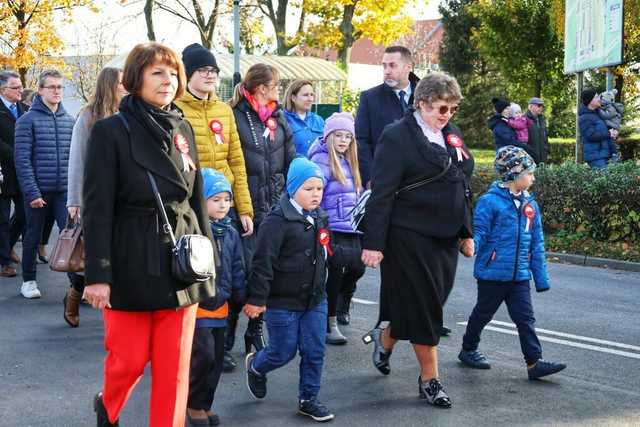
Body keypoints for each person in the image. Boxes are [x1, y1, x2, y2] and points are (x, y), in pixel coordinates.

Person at [82, 42, 215, 427]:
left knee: (175, 369)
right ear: (135, 78)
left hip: (180, 260)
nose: (169, 80)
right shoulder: (110, 131)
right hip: (130, 258)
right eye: (158, 72)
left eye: (173, 73)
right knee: (129, 360)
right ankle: (108, 404)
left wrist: (209, 267)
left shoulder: (183, 126)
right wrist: (98, 275)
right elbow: (97, 207)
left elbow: (195, 196)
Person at [360, 72, 475, 408]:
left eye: (453, 109)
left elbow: (462, 185)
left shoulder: (451, 134)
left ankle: (386, 338)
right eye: (441, 108)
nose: (447, 116)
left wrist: (466, 233)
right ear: (421, 103)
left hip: (444, 236)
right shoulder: (397, 136)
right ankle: (430, 379)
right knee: (426, 310)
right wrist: (374, 243)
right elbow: (382, 192)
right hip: (407, 235)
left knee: (428, 303)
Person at [458, 146, 567, 380]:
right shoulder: (490, 202)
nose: (533, 178)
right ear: (515, 174)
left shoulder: (531, 205)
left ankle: (533, 363)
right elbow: (480, 231)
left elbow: (536, 243)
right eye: (530, 173)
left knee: (525, 319)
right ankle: (468, 349)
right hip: (493, 274)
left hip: (519, 275)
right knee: (483, 314)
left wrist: (540, 278)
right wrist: (471, 245)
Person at [177, 44, 255, 372]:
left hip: (224, 205)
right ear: (188, 74)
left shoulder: (224, 110)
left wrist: (244, 207)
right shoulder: (176, 108)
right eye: (202, 71)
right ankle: (190, 340)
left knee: (231, 275)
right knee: (194, 275)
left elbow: (236, 159)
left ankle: (223, 344)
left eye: (213, 71)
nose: (209, 76)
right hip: (193, 207)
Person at [243, 157, 338, 422]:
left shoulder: (320, 216)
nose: (316, 194)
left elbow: (327, 250)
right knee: (283, 351)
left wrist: (346, 257)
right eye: (309, 189)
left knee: (315, 350)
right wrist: (257, 298)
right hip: (282, 300)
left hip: (315, 299)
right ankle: (256, 366)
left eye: (319, 188)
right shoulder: (277, 220)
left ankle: (309, 399)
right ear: (293, 188)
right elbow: (263, 262)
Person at [228, 63, 297, 357]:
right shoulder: (234, 116)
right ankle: (226, 340)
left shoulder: (279, 119)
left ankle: (254, 331)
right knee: (239, 276)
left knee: (267, 274)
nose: (279, 90)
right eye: (276, 85)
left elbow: (290, 159)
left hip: (274, 208)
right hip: (245, 208)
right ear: (261, 88)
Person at [64, 67, 126, 327]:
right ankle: (74, 296)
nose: (127, 87)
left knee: (119, 257)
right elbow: (77, 159)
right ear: (109, 86)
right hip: (94, 197)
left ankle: (116, 317)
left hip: (122, 198)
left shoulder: (129, 115)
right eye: (122, 83)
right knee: (89, 258)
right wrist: (75, 200)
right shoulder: (88, 117)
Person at [188, 169, 245, 427]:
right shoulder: (196, 231)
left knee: (217, 361)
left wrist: (240, 295)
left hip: (222, 307)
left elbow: (237, 267)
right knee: (204, 357)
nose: (223, 205)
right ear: (202, 200)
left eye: (227, 199)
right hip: (200, 308)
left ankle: (205, 404)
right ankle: (193, 404)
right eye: (216, 199)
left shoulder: (230, 232)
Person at [14, 69, 75, 299]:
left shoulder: (70, 121)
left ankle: (76, 286)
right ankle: (28, 281)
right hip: (37, 191)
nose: (57, 91)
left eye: (60, 87)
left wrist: (74, 193)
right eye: (52, 87)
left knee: (71, 236)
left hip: (64, 192)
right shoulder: (26, 121)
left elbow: (74, 160)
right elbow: (22, 160)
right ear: (40, 90)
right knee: (33, 236)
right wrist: (31, 192)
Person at [308, 112, 365, 344]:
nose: (343, 141)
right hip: (331, 226)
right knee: (333, 273)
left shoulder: (351, 161)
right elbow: (315, 191)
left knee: (357, 268)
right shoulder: (321, 160)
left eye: (347, 137)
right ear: (329, 136)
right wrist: (319, 221)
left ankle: (343, 304)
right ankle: (329, 322)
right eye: (338, 135)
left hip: (351, 225)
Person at [355, 45, 420, 188]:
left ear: (408, 67)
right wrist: (370, 177)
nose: (387, 71)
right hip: (384, 179)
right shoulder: (370, 98)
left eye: (392, 66)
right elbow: (361, 141)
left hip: (420, 179)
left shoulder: (425, 96)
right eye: (384, 66)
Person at [0, 71, 28, 277]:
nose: (21, 91)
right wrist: (18, 154)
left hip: (23, 172)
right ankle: (4, 262)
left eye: (20, 87)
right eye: (15, 87)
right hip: (2, 172)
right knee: (1, 218)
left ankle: (7, 246)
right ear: (2, 90)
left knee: (24, 214)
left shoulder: (25, 109)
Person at [283, 80, 324, 156]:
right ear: (293, 98)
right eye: (305, 95)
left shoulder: (319, 120)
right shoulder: (282, 119)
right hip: (294, 167)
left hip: (317, 167)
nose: (310, 99)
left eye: (312, 95)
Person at [578, 89, 618, 169]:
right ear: (590, 101)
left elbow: (603, 132)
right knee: (605, 179)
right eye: (596, 97)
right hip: (596, 157)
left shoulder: (598, 114)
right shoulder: (585, 117)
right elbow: (591, 136)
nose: (599, 99)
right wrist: (608, 133)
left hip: (605, 154)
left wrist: (613, 133)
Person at [525, 97, 549, 164]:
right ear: (530, 106)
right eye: (539, 106)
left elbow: (545, 136)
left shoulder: (542, 119)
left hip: (543, 157)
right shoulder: (524, 119)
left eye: (542, 106)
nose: (541, 108)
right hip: (530, 157)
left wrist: (547, 150)